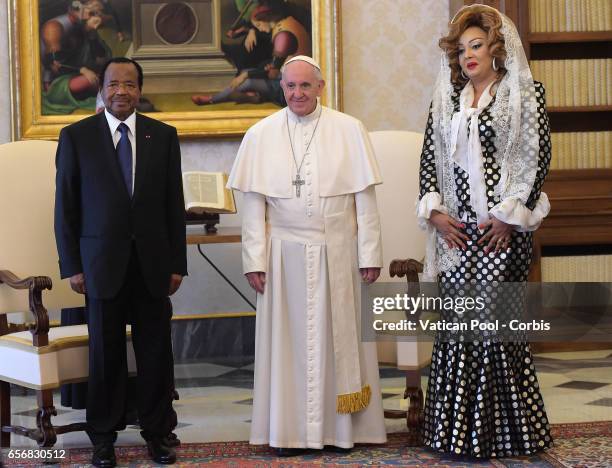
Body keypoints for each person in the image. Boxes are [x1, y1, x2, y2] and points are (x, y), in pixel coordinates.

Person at [227, 55, 387, 456]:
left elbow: (364, 201)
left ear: (320, 87)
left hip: (338, 251)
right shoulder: (261, 134)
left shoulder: (349, 130)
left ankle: (342, 432)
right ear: (281, 87)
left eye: (305, 86)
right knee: (288, 348)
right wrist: (255, 261)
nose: (298, 94)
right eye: (291, 86)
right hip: (282, 255)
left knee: (339, 341)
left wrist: (369, 253)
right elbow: (254, 208)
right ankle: (289, 433)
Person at [416, 5, 553, 458]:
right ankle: (454, 435)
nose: (468, 56)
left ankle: (504, 434)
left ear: (496, 48)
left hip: (501, 232)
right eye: (461, 50)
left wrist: (509, 217)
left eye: (476, 46)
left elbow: (535, 158)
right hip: (456, 234)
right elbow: (429, 163)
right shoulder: (447, 102)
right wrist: (435, 214)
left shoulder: (524, 93)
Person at [54, 57, 186, 467]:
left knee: (155, 353)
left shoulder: (162, 136)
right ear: (102, 90)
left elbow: (172, 205)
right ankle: (103, 439)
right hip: (99, 265)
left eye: (130, 85)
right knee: (105, 355)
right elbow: (66, 208)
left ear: (140, 90)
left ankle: (159, 433)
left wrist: (177, 263)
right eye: (113, 84)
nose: (121, 92)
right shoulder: (77, 137)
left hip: (152, 265)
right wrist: (72, 265)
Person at [191, 5, 310, 106]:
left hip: (290, 88)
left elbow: (273, 74)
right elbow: (280, 64)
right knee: (248, 72)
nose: (259, 29)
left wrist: (245, 75)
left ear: (267, 18)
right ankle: (256, 97)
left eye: (258, 25)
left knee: (247, 81)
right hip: (288, 77)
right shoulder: (286, 24)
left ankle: (212, 99)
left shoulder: (282, 36)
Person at [41, 0, 112, 114]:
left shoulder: (83, 27)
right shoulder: (54, 27)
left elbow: (101, 59)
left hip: (78, 77)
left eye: (99, 13)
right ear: (77, 9)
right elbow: (56, 65)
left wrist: (91, 34)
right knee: (101, 82)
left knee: (109, 80)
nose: (97, 17)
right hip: (56, 84)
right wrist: (82, 70)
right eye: (93, 13)